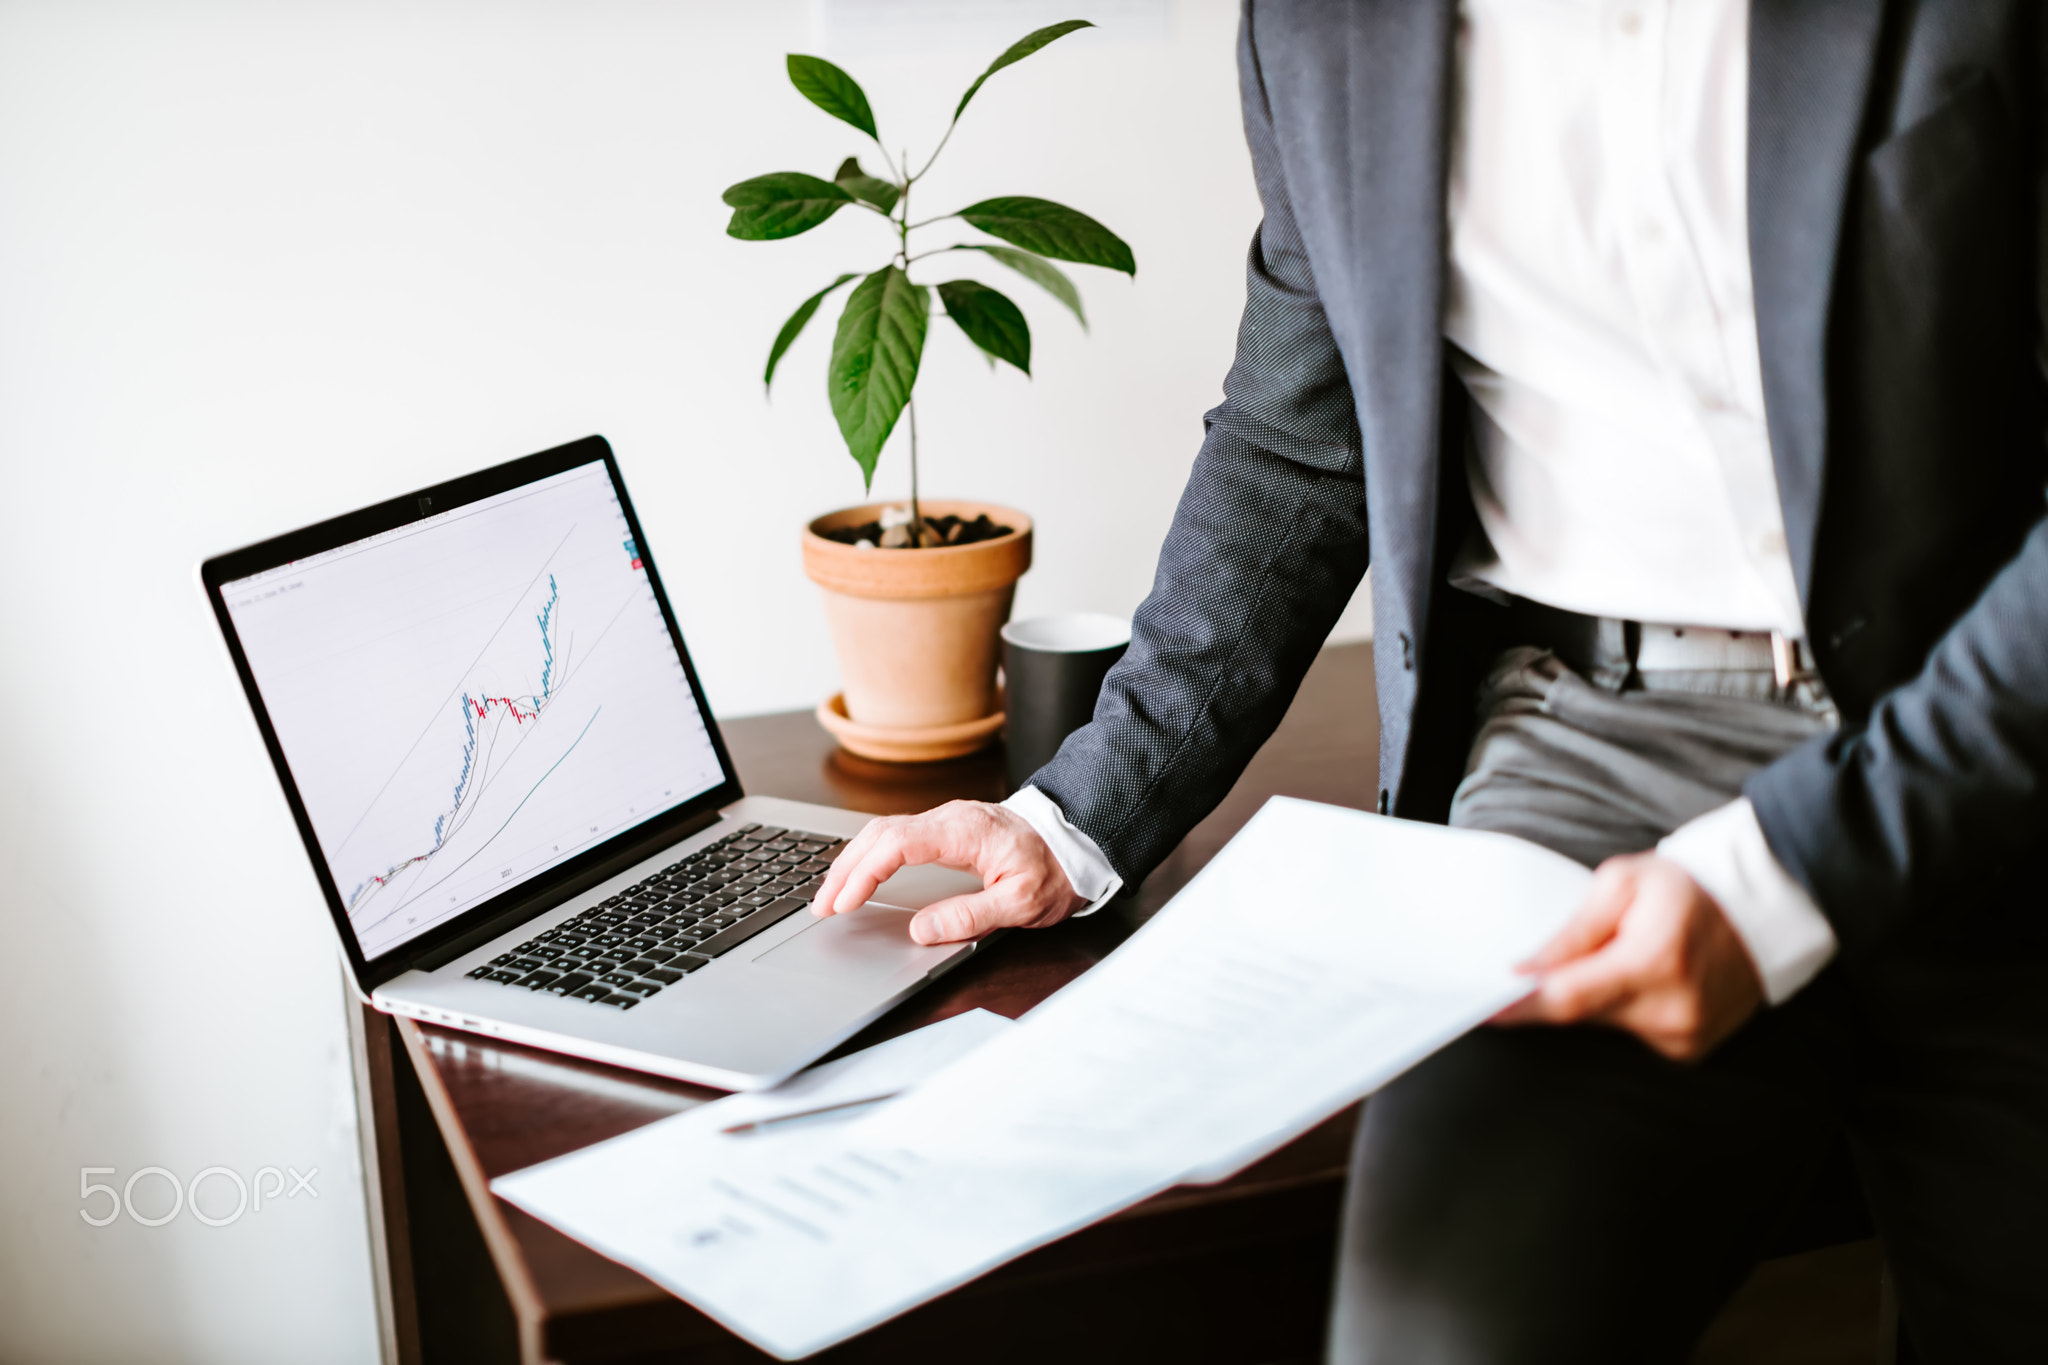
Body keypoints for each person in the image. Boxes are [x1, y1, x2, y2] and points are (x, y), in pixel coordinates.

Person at [809, 3, 2048, 1359]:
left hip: (2003, 714)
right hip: (1585, 763)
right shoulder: (1319, 29)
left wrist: (1790, 868)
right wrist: (1070, 813)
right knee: (1437, 1333)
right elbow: (1298, 439)